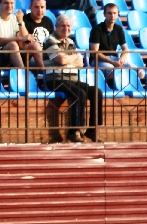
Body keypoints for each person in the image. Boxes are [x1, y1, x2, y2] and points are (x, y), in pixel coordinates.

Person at [44, 14, 104, 143]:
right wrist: (73, 58)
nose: (66, 28)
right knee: (79, 93)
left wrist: (68, 59)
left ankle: (92, 129)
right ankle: (74, 131)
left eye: (68, 26)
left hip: (72, 79)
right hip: (55, 78)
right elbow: (61, 60)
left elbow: (81, 63)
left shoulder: (70, 42)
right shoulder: (50, 40)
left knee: (97, 92)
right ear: (56, 26)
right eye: (63, 26)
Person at [0, 0, 38, 70]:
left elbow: (25, 41)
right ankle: (23, 74)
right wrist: (21, 39)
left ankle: (42, 73)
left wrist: (21, 22)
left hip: (11, 56)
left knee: (34, 45)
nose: (9, 6)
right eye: (6, 3)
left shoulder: (14, 18)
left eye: (12, 3)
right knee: (13, 45)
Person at [89, 2, 139, 83]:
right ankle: (112, 89)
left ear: (118, 14)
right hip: (99, 60)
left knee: (139, 71)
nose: (112, 16)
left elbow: (125, 49)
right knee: (113, 72)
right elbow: (95, 53)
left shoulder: (119, 29)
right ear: (104, 14)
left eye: (114, 13)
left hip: (114, 58)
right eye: (109, 13)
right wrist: (112, 62)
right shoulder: (97, 30)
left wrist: (121, 59)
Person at [22, 0, 53, 68]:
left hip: (47, 54)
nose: (40, 10)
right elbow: (23, 43)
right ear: (30, 7)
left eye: (42, 7)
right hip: (31, 56)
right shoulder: (24, 21)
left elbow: (52, 40)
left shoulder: (48, 21)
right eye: (36, 7)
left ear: (45, 8)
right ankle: (43, 71)